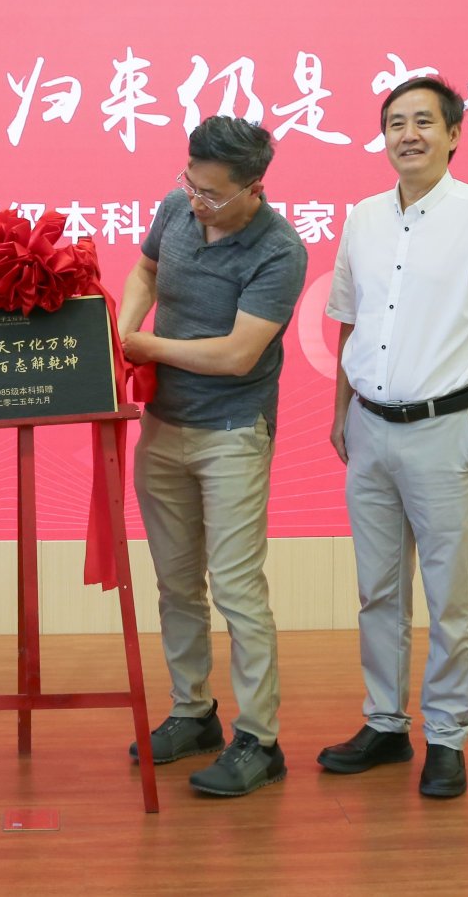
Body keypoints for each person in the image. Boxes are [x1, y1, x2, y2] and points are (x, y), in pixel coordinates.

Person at [319, 75, 468, 798]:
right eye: (395, 122)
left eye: (423, 121)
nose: (407, 134)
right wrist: (340, 410)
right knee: (377, 589)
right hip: (369, 427)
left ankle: (446, 735)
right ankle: (385, 722)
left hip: (450, 431)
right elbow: (349, 321)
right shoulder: (362, 218)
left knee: (449, 595)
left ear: (453, 134)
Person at [118, 115, 308, 798]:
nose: (197, 201)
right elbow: (145, 270)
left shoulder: (279, 250)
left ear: (253, 187)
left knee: (235, 588)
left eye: (213, 193)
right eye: (190, 183)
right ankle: (193, 711)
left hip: (231, 432)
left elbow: (236, 355)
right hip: (163, 424)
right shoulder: (178, 206)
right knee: (176, 584)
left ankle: (260, 738)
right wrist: (122, 328)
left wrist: (146, 347)